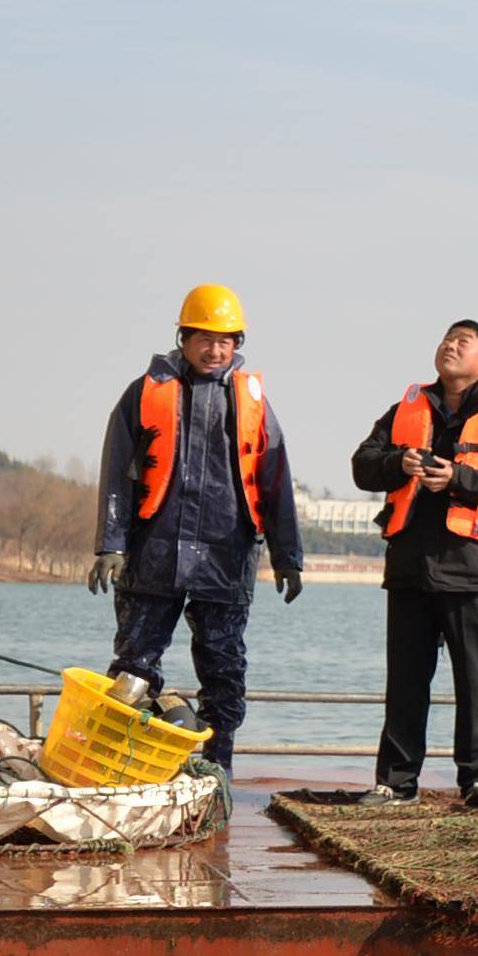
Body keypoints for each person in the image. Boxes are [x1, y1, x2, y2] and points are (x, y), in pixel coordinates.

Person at [87, 282, 304, 770]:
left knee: (224, 667)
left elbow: (276, 479)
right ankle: (123, 762)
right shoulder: (145, 393)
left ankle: (218, 762)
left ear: (237, 345)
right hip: (154, 553)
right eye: (205, 338)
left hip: (227, 556)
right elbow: (117, 470)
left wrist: (288, 556)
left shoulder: (252, 401)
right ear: (183, 338)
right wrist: (111, 544)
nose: (215, 349)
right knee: (134, 664)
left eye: (226, 340)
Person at [348, 318, 478, 805]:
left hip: (472, 568)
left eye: (464, 341)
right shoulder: (405, 409)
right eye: (446, 338)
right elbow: (361, 466)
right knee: (406, 682)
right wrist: (398, 463)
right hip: (411, 567)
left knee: (476, 681)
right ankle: (395, 783)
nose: (450, 345)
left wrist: (458, 477)